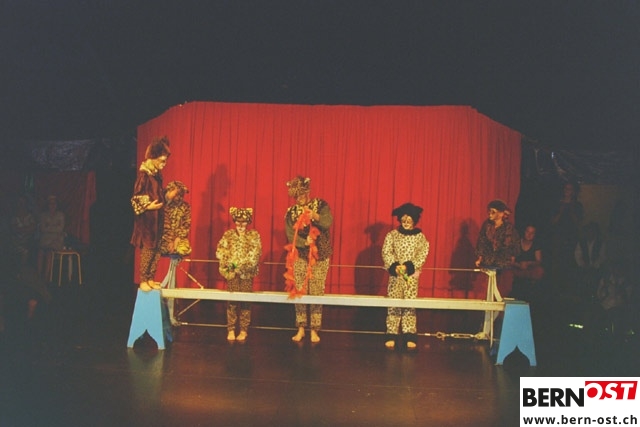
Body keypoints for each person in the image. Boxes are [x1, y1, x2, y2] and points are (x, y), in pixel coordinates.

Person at [284, 176, 332, 343]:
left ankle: (314, 329)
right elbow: (290, 234)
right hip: (300, 256)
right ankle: (301, 327)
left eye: (302, 194)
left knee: (317, 290)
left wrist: (315, 216)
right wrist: (304, 242)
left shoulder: (321, 205)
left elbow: (327, 222)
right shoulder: (291, 212)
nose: (300, 198)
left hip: (320, 255)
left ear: (308, 192)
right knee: (299, 290)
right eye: (296, 196)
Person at [382, 203, 429, 350]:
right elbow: (386, 251)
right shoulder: (392, 235)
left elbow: (422, 253)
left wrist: (409, 266)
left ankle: (409, 333)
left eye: (409, 220)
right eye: (403, 220)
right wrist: (394, 265)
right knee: (393, 302)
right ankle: (391, 332)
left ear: (414, 221)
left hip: (411, 276)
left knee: (409, 303)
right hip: (395, 275)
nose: (406, 223)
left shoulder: (420, 237)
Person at [130, 136, 171, 292]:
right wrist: (148, 206)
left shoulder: (157, 176)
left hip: (157, 218)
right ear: (153, 157)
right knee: (148, 249)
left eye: (165, 161)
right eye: (161, 160)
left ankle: (150, 277)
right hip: (147, 221)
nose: (164, 164)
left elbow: (159, 194)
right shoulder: (144, 175)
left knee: (156, 249)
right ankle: (143, 279)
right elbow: (136, 197)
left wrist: (167, 196)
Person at [216, 207, 262, 342]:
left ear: (248, 222)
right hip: (232, 274)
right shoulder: (228, 235)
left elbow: (255, 255)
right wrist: (234, 267)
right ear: (234, 221)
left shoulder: (254, 235)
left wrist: (242, 266)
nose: (241, 225)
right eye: (238, 222)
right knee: (232, 302)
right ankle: (231, 329)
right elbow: (220, 252)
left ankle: (243, 329)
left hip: (247, 274)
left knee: (246, 302)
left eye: (244, 222)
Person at [475, 199, 520, 296]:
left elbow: (510, 245)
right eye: (489, 211)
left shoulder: (508, 227)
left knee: (500, 286)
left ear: (500, 214)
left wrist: (511, 258)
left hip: (502, 261)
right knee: (487, 286)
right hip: (488, 259)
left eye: (493, 212)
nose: (490, 214)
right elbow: (481, 241)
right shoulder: (486, 225)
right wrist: (480, 258)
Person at [550, 181, 583, 295]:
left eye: (569, 189)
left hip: (571, 237)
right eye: (565, 188)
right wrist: (561, 209)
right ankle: (555, 289)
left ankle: (567, 290)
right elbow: (553, 222)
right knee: (556, 261)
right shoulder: (557, 204)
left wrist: (571, 208)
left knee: (570, 261)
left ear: (573, 191)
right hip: (558, 236)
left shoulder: (577, 205)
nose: (567, 191)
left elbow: (578, 223)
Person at [511, 224, 544, 301]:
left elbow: (539, 261)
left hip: (529, 269)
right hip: (517, 269)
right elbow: (511, 261)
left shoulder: (536, 245)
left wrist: (528, 263)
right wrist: (519, 265)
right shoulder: (517, 243)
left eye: (532, 233)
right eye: (528, 232)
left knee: (539, 271)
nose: (529, 235)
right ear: (524, 232)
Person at [37, 195, 65, 279]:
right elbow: (43, 228)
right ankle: (38, 276)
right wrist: (55, 226)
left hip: (56, 241)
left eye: (54, 204)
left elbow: (60, 229)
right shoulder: (43, 215)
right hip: (45, 241)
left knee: (49, 253)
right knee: (40, 253)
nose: (52, 206)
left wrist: (49, 226)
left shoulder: (61, 215)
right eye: (50, 204)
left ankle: (46, 277)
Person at [10, 195, 37, 266]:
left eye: (23, 202)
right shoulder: (14, 216)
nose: (21, 205)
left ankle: (23, 268)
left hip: (28, 241)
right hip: (15, 242)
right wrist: (26, 229)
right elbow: (14, 229)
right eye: (20, 202)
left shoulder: (30, 216)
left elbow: (33, 228)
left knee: (26, 251)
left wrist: (21, 229)